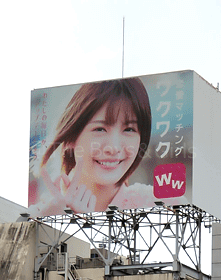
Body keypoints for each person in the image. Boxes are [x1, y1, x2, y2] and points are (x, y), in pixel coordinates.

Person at [31, 78, 154, 216]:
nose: (113, 148)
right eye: (100, 129)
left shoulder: (163, 205)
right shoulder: (37, 217)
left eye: (129, 129)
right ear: (72, 136)